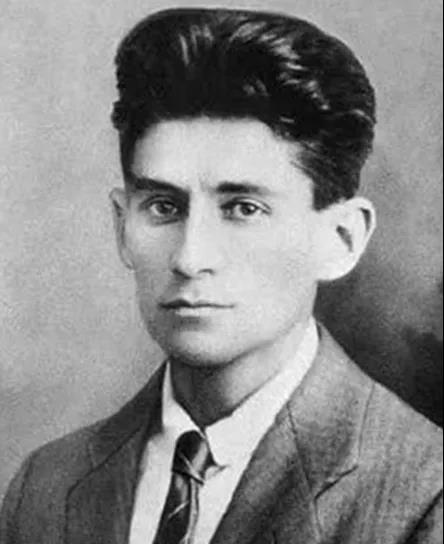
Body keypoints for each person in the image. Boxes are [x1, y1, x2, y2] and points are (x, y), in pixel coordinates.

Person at [1, 8, 442, 544]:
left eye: (243, 209)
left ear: (340, 240)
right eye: (163, 206)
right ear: (122, 226)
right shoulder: (46, 485)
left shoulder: (424, 495)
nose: (190, 258)